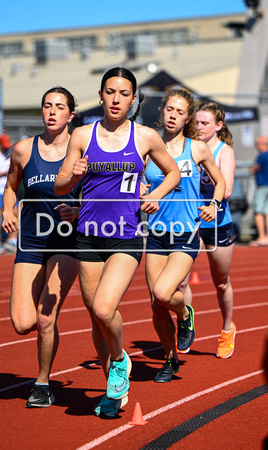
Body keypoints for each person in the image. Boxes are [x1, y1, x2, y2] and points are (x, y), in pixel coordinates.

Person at [54, 67, 181, 417]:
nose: (116, 99)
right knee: (96, 319)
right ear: (100, 95)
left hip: (124, 237)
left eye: (124, 93)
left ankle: (120, 359)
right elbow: (61, 187)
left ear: (133, 99)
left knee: (104, 309)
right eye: (110, 92)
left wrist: (154, 194)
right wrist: (73, 175)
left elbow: (173, 172)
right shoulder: (82, 135)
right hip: (88, 237)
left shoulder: (144, 137)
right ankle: (113, 391)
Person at [2, 86, 82, 408]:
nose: (52, 112)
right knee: (24, 323)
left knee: (45, 318)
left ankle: (42, 382)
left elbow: (96, 198)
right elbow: (10, 187)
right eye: (47, 106)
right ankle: (47, 336)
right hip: (32, 240)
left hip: (67, 240)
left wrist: (77, 211)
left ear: (70, 115)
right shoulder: (23, 149)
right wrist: (9, 210)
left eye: (59, 107)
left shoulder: (83, 153)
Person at [142, 90, 225, 382]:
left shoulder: (197, 148)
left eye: (179, 111)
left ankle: (186, 314)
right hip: (155, 233)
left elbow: (220, 181)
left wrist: (214, 205)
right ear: (162, 111)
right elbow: (137, 182)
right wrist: (141, 192)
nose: (173, 115)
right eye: (169, 109)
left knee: (165, 293)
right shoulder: (149, 146)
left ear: (187, 117)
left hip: (185, 233)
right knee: (156, 303)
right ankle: (169, 359)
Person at [181, 102, 236, 359]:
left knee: (221, 282)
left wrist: (205, 166)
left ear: (218, 126)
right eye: (198, 122)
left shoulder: (224, 152)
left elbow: (226, 191)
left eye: (205, 123)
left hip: (218, 223)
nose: (200, 127)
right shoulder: (188, 146)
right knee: (180, 280)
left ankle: (227, 328)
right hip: (190, 221)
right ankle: (186, 325)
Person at [249, 135, 268, 246]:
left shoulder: (262, 156)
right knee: (267, 212)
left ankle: (262, 237)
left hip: (262, 186)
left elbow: (253, 169)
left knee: (258, 212)